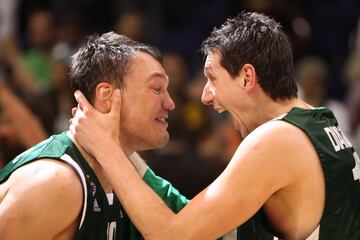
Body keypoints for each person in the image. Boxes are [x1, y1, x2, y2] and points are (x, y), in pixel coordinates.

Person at [70, 12, 360, 239]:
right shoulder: (320, 123)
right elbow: (197, 217)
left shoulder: (277, 140)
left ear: (247, 77)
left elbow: (171, 234)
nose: (205, 96)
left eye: (213, 78)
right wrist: (127, 153)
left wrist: (107, 148)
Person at [0, 32, 189, 239]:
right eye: (156, 88)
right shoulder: (57, 182)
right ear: (106, 95)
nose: (170, 103)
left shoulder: (129, 181)